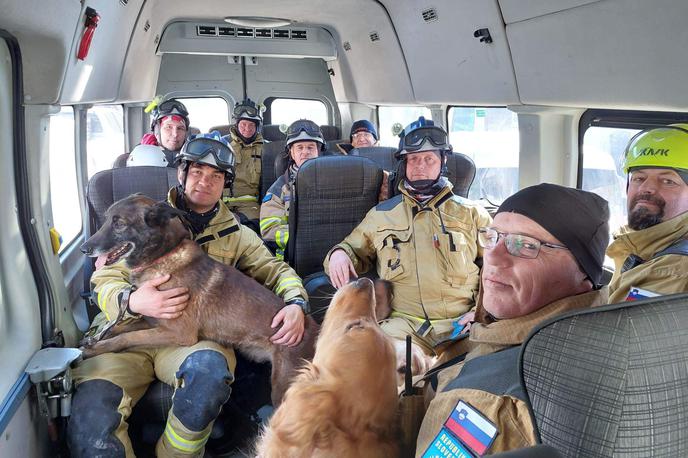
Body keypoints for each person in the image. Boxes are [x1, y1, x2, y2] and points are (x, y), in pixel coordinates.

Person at [68, 132, 309, 458]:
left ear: (226, 183)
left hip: (187, 340)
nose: (204, 182)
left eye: (216, 176)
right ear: (181, 173)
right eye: (196, 171)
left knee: (208, 372)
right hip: (129, 327)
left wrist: (296, 303)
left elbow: (276, 270)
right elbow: (104, 278)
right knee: (93, 418)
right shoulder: (142, 217)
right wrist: (131, 300)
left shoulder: (237, 233)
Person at [416, 183, 610, 456]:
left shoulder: (485, 402)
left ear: (583, 275)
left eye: (525, 244)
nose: (492, 256)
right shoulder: (603, 326)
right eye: (493, 237)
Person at [324, 117, 492, 369]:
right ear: (404, 165)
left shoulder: (472, 213)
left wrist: (480, 313)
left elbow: (499, 267)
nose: (420, 166)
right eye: (413, 159)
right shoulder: (382, 214)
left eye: (429, 159)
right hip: (403, 325)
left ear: (442, 162)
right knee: (372, 377)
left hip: (462, 325)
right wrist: (338, 254)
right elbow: (350, 247)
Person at [607, 124, 688, 303]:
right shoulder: (645, 249)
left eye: (668, 181)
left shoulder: (672, 270)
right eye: (639, 178)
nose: (646, 188)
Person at [259, 119, 325, 259]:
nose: (305, 152)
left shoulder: (334, 180)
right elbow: (269, 230)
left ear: (318, 151)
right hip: (296, 257)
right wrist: (306, 237)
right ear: (292, 153)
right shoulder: (278, 189)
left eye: (310, 147)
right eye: (299, 147)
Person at [113, 98, 190, 168]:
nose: (175, 134)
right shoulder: (132, 159)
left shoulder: (193, 159)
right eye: (168, 127)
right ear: (156, 131)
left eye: (180, 128)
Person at [223, 98, 265, 226]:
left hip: (251, 205)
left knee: (252, 232)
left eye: (252, 125)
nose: (247, 128)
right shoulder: (223, 144)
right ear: (236, 125)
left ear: (257, 127)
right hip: (221, 203)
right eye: (243, 124)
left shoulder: (266, 148)